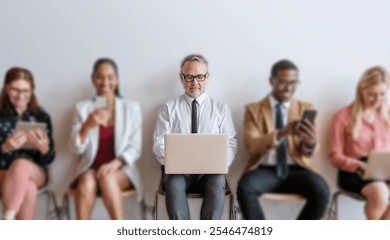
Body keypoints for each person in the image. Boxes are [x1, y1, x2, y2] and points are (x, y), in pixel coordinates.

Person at [237, 59, 329, 220]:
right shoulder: (253, 110)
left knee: (322, 190)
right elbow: (251, 145)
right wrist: (281, 133)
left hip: (297, 170)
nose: (288, 88)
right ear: (271, 80)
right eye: (283, 82)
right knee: (244, 188)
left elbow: (307, 153)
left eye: (293, 83)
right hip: (265, 170)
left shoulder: (305, 108)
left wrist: (310, 142)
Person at [153, 54, 237, 220]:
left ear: (207, 77)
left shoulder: (221, 109)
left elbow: (231, 144)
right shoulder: (168, 109)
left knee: (218, 181)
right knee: (173, 183)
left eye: (199, 76)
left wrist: (220, 163)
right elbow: (159, 143)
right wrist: (175, 162)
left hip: (210, 173)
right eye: (189, 77)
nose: (195, 82)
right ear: (181, 77)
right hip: (179, 172)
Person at [68, 58, 142, 220]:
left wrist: (114, 164)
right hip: (90, 169)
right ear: (93, 79)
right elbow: (75, 148)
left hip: (120, 170)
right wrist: (87, 125)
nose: (105, 82)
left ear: (117, 79)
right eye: (100, 77)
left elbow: (135, 147)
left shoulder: (131, 108)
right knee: (87, 181)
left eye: (110, 77)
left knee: (107, 177)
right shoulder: (82, 108)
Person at [330, 66, 390, 220]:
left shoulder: (388, 115)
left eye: (382, 94)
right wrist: (359, 165)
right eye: (372, 95)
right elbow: (334, 155)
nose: (377, 100)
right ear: (360, 91)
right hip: (354, 171)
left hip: (384, 170)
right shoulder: (343, 116)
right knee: (380, 192)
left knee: (383, 190)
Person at [0, 67, 55, 220]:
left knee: (21, 164)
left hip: (36, 171)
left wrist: (44, 149)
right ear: (6, 88)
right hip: (3, 173)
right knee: (28, 187)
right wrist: (4, 148)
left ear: (32, 91)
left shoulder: (42, 116)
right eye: (15, 90)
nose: (20, 96)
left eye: (26, 91)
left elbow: (50, 158)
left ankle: (7, 219)